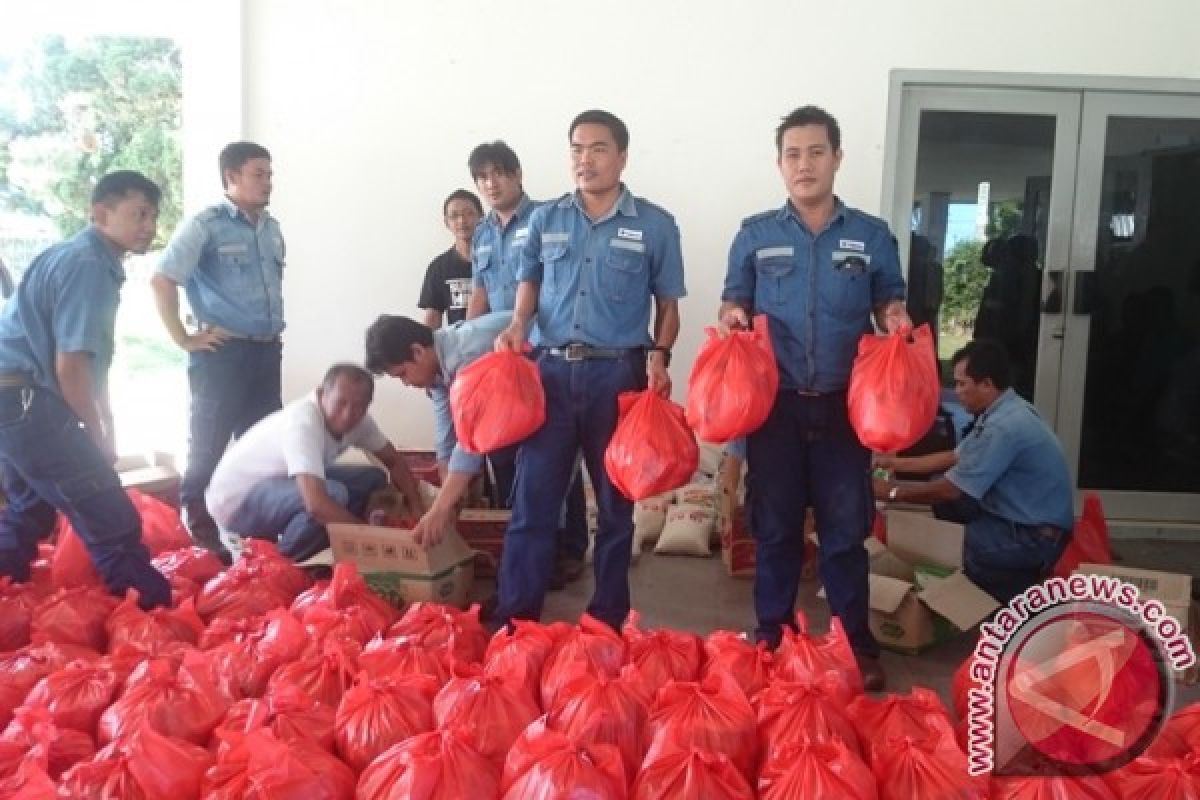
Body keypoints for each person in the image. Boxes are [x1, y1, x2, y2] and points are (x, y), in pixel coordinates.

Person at [719, 105, 909, 691]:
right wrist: (733, 317)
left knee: (845, 532)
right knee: (774, 529)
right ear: (780, 164)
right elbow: (734, 300)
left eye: (817, 152)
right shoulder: (756, 234)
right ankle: (772, 636)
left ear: (837, 158)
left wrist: (897, 319)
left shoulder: (872, 236)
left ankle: (854, 644)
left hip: (843, 408)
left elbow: (889, 301)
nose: (805, 164)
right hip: (773, 406)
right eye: (794, 154)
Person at [493, 109, 685, 631]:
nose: (585, 159)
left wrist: (660, 356)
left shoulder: (655, 224)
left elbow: (668, 304)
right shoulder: (545, 220)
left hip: (616, 377)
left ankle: (605, 619)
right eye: (577, 148)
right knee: (534, 504)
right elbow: (528, 284)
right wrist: (516, 325)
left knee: (615, 508)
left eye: (598, 148)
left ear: (622, 156)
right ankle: (516, 622)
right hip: (551, 373)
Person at [0, 171, 171, 608]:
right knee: (111, 518)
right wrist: (92, 433)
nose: (148, 225)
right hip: (26, 400)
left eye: (152, 216)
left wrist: (106, 422)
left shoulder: (71, 255)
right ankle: (154, 627)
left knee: (28, 511)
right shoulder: (90, 267)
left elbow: (90, 364)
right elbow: (70, 365)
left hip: (12, 398)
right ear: (101, 214)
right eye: (138, 214)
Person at [152, 141, 285, 564]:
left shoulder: (271, 227)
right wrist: (182, 337)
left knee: (262, 444)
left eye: (269, 173)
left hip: (266, 352)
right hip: (222, 355)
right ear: (231, 177)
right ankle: (199, 528)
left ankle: (253, 527)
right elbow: (163, 279)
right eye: (258, 173)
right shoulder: (205, 225)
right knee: (208, 441)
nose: (267, 181)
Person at [464, 140, 588, 584]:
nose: (490, 183)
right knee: (506, 454)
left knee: (555, 455)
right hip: (500, 361)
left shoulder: (546, 219)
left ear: (518, 174)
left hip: (541, 354)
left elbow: (547, 286)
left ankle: (569, 547)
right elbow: (479, 292)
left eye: (499, 172)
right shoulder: (480, 233)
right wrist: (468, 345)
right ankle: (525, 550)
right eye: (482, 177)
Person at [873, 339, 1074, 604]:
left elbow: (949, 489)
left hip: (1035, 536)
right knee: (950, 509)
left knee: (947, 547)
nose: (956, 391)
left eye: (961, 384)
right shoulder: (1004, 410)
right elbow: (954, 456)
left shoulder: (1003, 428)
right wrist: (895, 464)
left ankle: (1016, 598)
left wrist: (891, 492)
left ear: (987, 384)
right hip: (1022, 518)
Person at [205, 364, 425, 563]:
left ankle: (340, 542)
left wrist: (417, 510)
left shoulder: (361, 422)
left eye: (359, 406)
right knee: (333, 497)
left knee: (372, 478)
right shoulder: (303, 422)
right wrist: (370, 540)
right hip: (236, 504)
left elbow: (394, 461)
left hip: (278, 488)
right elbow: (316, 504)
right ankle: (280, 564)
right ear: (322, 394)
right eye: (341, 403)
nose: (348, 414)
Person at [364, 311, 513, 544]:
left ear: (417, 351)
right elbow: (447, 433)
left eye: (403, 374)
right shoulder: (439, 365)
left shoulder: (466, 357)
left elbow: (471, 438)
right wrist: (447, 490)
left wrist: (442, 508)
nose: (406, 383)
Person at [419, 189, 482, 329]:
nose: (462, 220)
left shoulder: (497, 260)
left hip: (498, 345)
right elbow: (432, 317)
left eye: (468, 213)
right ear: (446, 222)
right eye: (454, 216)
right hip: (460, 346)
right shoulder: (438, 267)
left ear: (481, 217)